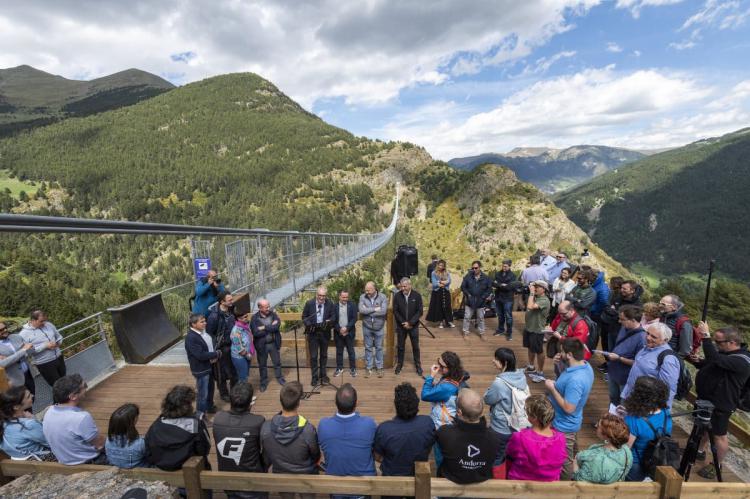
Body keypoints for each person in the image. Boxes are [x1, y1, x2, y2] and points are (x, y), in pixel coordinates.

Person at [688, 322, 750, 479]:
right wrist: (699, 361)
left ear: (732, 342)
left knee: (719, 435)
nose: (716, 345)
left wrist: (706, 337)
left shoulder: (743, 360)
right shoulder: (727, 354)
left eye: (718, 342)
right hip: (707, 400)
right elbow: (714, 363)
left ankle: (716, 465)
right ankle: (700, 452)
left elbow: (717, 361)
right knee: (702, 427)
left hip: (722, 404)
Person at [544, 338, 594, 480]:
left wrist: (552, 389)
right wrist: (559, 365)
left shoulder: (576, 380)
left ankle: (566, 487)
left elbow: (569, 408)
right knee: (573, 452)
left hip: (564, 425)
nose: (560, 354)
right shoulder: (586, 366)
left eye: (562, 352)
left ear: (570, 354)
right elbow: (567, 383)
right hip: (571, 421)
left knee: (564, 460)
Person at [260, 381, 320, 499]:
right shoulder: (307, 429)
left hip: (281, 475)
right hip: (306, 476)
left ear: (281, 401)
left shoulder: (266, 428)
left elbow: (266, 455)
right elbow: (315, 455)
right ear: (298, 403)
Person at [318, 383, 377, 497]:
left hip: (336, 487)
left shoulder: (324, 425)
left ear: (336, 403)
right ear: (356, 403)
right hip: (363, 487)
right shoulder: (369, 424)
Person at [436, 388, 503, 484]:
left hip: (451, 482)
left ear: (459, 412)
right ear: (481, 411)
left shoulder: (444, 432)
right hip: (481, 484)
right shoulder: (495, 437)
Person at [214, 383, 267, 499]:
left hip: (228, 479)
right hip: (253, 481)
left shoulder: (218, 418)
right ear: (250, 403)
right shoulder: (258, 421)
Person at [374, 383, 435, 480]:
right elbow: (429, 445)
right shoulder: (427, 423)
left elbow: (377, 457)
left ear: (396, 405)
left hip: (391, 478)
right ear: (416, 403)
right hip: (418, 478)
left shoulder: (384, 429)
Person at [43, 374, 107, 465]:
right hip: (88, 462)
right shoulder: (81, 418)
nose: (86, 389)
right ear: (73, 396)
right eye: (84, 387)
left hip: (65, 461)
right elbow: (99, 444)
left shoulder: (48, 411)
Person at [145, 385, 211, 471]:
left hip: (163, 470)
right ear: (187, 406)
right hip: (191, 471)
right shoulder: (196, 425)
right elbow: (205, 449)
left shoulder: (155, 426)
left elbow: (148, 451)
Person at [484, 347, 529, 468]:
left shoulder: (500, 383)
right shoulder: (521, 376)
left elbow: (488, 399)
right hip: (517, 426)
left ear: (505, 363)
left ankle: (496, 481)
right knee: (511, 454)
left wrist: (488, 390)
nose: (493, 361)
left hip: (501, 428)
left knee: (496, 457)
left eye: (497, 359)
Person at [505, 394, 567, 481]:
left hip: (520, 484)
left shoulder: (519, 438)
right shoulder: (561, 439)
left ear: (533, 418)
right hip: (550, 485)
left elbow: (510, 454)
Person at [622, 376, 672, 481]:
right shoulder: (665, 413)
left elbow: (624, 449)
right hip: (657, 460)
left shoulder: (633, 420)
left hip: (636, 465)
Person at [620, 323, 680, 408]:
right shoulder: (648, 347)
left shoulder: (668, 359)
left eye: (653, 337)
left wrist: (661, 412)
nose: (648, 338)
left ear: (665, 340)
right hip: (629, 396)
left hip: (644, 405)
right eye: (647, 333)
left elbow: (668, 389)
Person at [605, 305, 646, 407]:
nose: (619, 321)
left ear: (632, 320)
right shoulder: (624, 328)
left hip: (625, 378)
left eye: (622, 319)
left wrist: (619, 358)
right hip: (613, 371)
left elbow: (638, 363)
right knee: (613, 399)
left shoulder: (642, 338)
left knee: (623, 405)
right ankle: (610, 422)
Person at [573, 413, 632, 484]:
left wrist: (575, 462)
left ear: (606, 435)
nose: (595, 426)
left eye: (598, 426)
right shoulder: (627, 451)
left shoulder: (594, 459)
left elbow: (580, 481)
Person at [0, 386, 53, 460]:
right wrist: (34, 419)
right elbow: (50, 442)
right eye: (28, 397)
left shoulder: (3, 421)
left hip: (18, 461)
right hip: (43, 460)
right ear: (16, 407)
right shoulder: (28, 424)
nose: (32, 395)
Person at [20, 309, 65, 387]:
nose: (44, 323)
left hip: (58, 358)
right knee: (57, 386)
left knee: (65, 381)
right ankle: (61, 399)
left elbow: (59, 336)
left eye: (45, 320)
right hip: (45, 364)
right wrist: (45, 346)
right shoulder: (23, 334)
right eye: (41, 321)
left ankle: (70, 398)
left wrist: (58, 343)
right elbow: (27, 352)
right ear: (33, 320)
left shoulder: (48, 324)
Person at [184, 312, 219, 414]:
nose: (205, 323)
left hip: (209, 366)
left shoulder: (202, 332)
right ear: (193, 324)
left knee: (210, 388)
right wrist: (215, 354)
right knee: (202, 394)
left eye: (205, 321)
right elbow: (200, 355)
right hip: (201, 369)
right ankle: (200, 416)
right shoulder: (191, 338)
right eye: (202, 322)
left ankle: (209, 407)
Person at [207, 291, 238, 402]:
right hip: (221, 348)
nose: (232, 301)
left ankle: (234, 392)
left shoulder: (231, 310)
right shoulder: (214, 316)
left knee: (234, 371)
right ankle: (224, 393)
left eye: (231, 299)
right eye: (229, 300)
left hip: (233, 346)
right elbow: (209, 334)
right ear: (222, 302)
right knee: (221, 373)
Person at [302, 286, 335, 386]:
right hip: (313, 333)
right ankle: (314, 377)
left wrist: (329, 321)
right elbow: (304, 316)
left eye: (323, 296)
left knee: (324, 355)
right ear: (316, 294)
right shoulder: (309, 303)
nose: (321, 298)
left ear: (326, 296)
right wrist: (309, 324)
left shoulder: (330, 303)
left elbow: (333, 316)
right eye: (320, 295)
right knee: (313, 356)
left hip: (325, 332)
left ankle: (323, 375)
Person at [250, 299, 286, 392]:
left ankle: (279, 378)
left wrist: (264, 327)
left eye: (268, 306)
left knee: (277, 362)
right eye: (266, 307)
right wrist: (270, 327)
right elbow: (256, 333)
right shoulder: (254, 318)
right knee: (262, 365)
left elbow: (277, 326)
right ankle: (263, 382)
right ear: (260, 308)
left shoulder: (273, 314)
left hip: (273, 343)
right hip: (262, 345)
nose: (268, 308)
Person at [600, 280, 643, 353]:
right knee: (606, 346)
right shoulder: (617, 296)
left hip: (621, 331)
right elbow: (607, 307)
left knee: (615, 350)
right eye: (621, 288)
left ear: (632, 290)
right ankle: (607, 362)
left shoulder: (637, 305)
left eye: (624, 289)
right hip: (609, 326)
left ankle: (610, 363)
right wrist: (617, 313)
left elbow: (630, 319)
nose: (621, 290)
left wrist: (614, 311)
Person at [393, 277, 423, 376]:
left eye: (405, 286)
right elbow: (395, 311)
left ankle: (418, 365)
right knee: (401, 347)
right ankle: (399, 364)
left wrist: (410, 323)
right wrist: (403, 323)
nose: (403, 289)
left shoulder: (417, 296)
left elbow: (420, 311)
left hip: (413, 326)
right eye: (401, 287)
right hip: (401, 326)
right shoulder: (397, 296)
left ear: (410, 285)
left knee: (415, 346)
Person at [358, 281, 388, 378]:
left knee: (379, 348)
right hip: (367, 326)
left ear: (374, 289)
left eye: (369, 290)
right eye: (366, 290)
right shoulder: (362, 297)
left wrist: (368, 310)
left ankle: (379, 367)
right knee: (368, 348)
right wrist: (375, 309)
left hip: (379, 327)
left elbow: (383, 311)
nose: (367, 292)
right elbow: (361, 310)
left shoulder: (382, 297)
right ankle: (369, 367)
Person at [105, 403, 148, 469]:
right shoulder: (140, 443)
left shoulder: (108, 440)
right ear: (134, 420)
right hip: (136, 467)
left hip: (114, 466)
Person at [523, 280, 551, 383]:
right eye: (534, 287)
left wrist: (531, 293)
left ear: (543, 289)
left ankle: (540, 372)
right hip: (529, 327)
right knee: (530, 347)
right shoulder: (536, 297)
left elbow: (530, 306)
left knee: (539, 351)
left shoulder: (544, 300)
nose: (534, 288)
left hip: (537, 329)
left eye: (537, 287)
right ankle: (531, 367)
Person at [0, 320, 35, 395]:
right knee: (22, 404)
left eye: (5, 328)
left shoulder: (16, 336)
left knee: (32, 396)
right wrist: (23, 350)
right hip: (14, 381)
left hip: (28, 374)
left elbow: (31, 349)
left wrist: (10, 358)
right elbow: (2, 364)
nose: (5, 330)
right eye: (1, 330)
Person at [460, 260, 492, 338]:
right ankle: (465, 332)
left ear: (480, 267)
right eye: (473, 268)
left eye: (476, 268)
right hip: (470, 301)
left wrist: (484, 297)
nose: (474, 269)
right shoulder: (468, 276)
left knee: (480, 318)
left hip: (480, 301)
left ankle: (482, 333)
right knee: (467, 317)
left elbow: (489, 289)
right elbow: (463, 287)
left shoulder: (486, 278)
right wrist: (468, 294)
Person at [333, 289, 357, 378]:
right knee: (339, 351)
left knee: (351, 351)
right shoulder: (334, 306)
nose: (345, 299)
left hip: (349, 332)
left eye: (346, 297)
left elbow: (354, 318)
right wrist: (340, 329)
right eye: (343, 297)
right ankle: (339, 368)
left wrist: (346, 328)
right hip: (338, 333)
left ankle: (353, 368)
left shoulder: (352, 305)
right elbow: (333, 320)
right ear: (339, 297)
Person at [492, 259, 517, 338]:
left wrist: (499, 285)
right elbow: (493, 284)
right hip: (498, 297)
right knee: (500, 315)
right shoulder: (498, 274)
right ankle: (500, 329)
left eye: (505, 266)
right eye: (503, 266)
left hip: (508, 298)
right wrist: (502, 285)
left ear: (509, 266)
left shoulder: (513, 275)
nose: (504, 267)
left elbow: (509, 287)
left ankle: (509, 333)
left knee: (508, 316)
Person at [426, 259, 454, 329]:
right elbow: (434, 283)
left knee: (447, 306)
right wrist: (441, 283)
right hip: (437, 292)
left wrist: (443, 282)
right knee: (439, 306)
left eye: (442, 265)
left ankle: (449, 321)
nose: (440, 266)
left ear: (444, 266)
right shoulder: (433, 273)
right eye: (439, 265)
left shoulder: (447, 272)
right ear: (437, 265)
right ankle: (440, 322)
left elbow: (449, 281)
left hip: (445, 291)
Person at [230, 309, 255, 384]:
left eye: (247, 316)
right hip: (240, 356)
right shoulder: (236, 331)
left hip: (247, 354)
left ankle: (244, 391)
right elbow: (239, 348)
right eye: (244, 317)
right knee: (243, 376)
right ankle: (241, 394)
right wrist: (248, 355)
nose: (247, 318)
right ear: (238, 318)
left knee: (245, 374)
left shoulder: (245, 326)